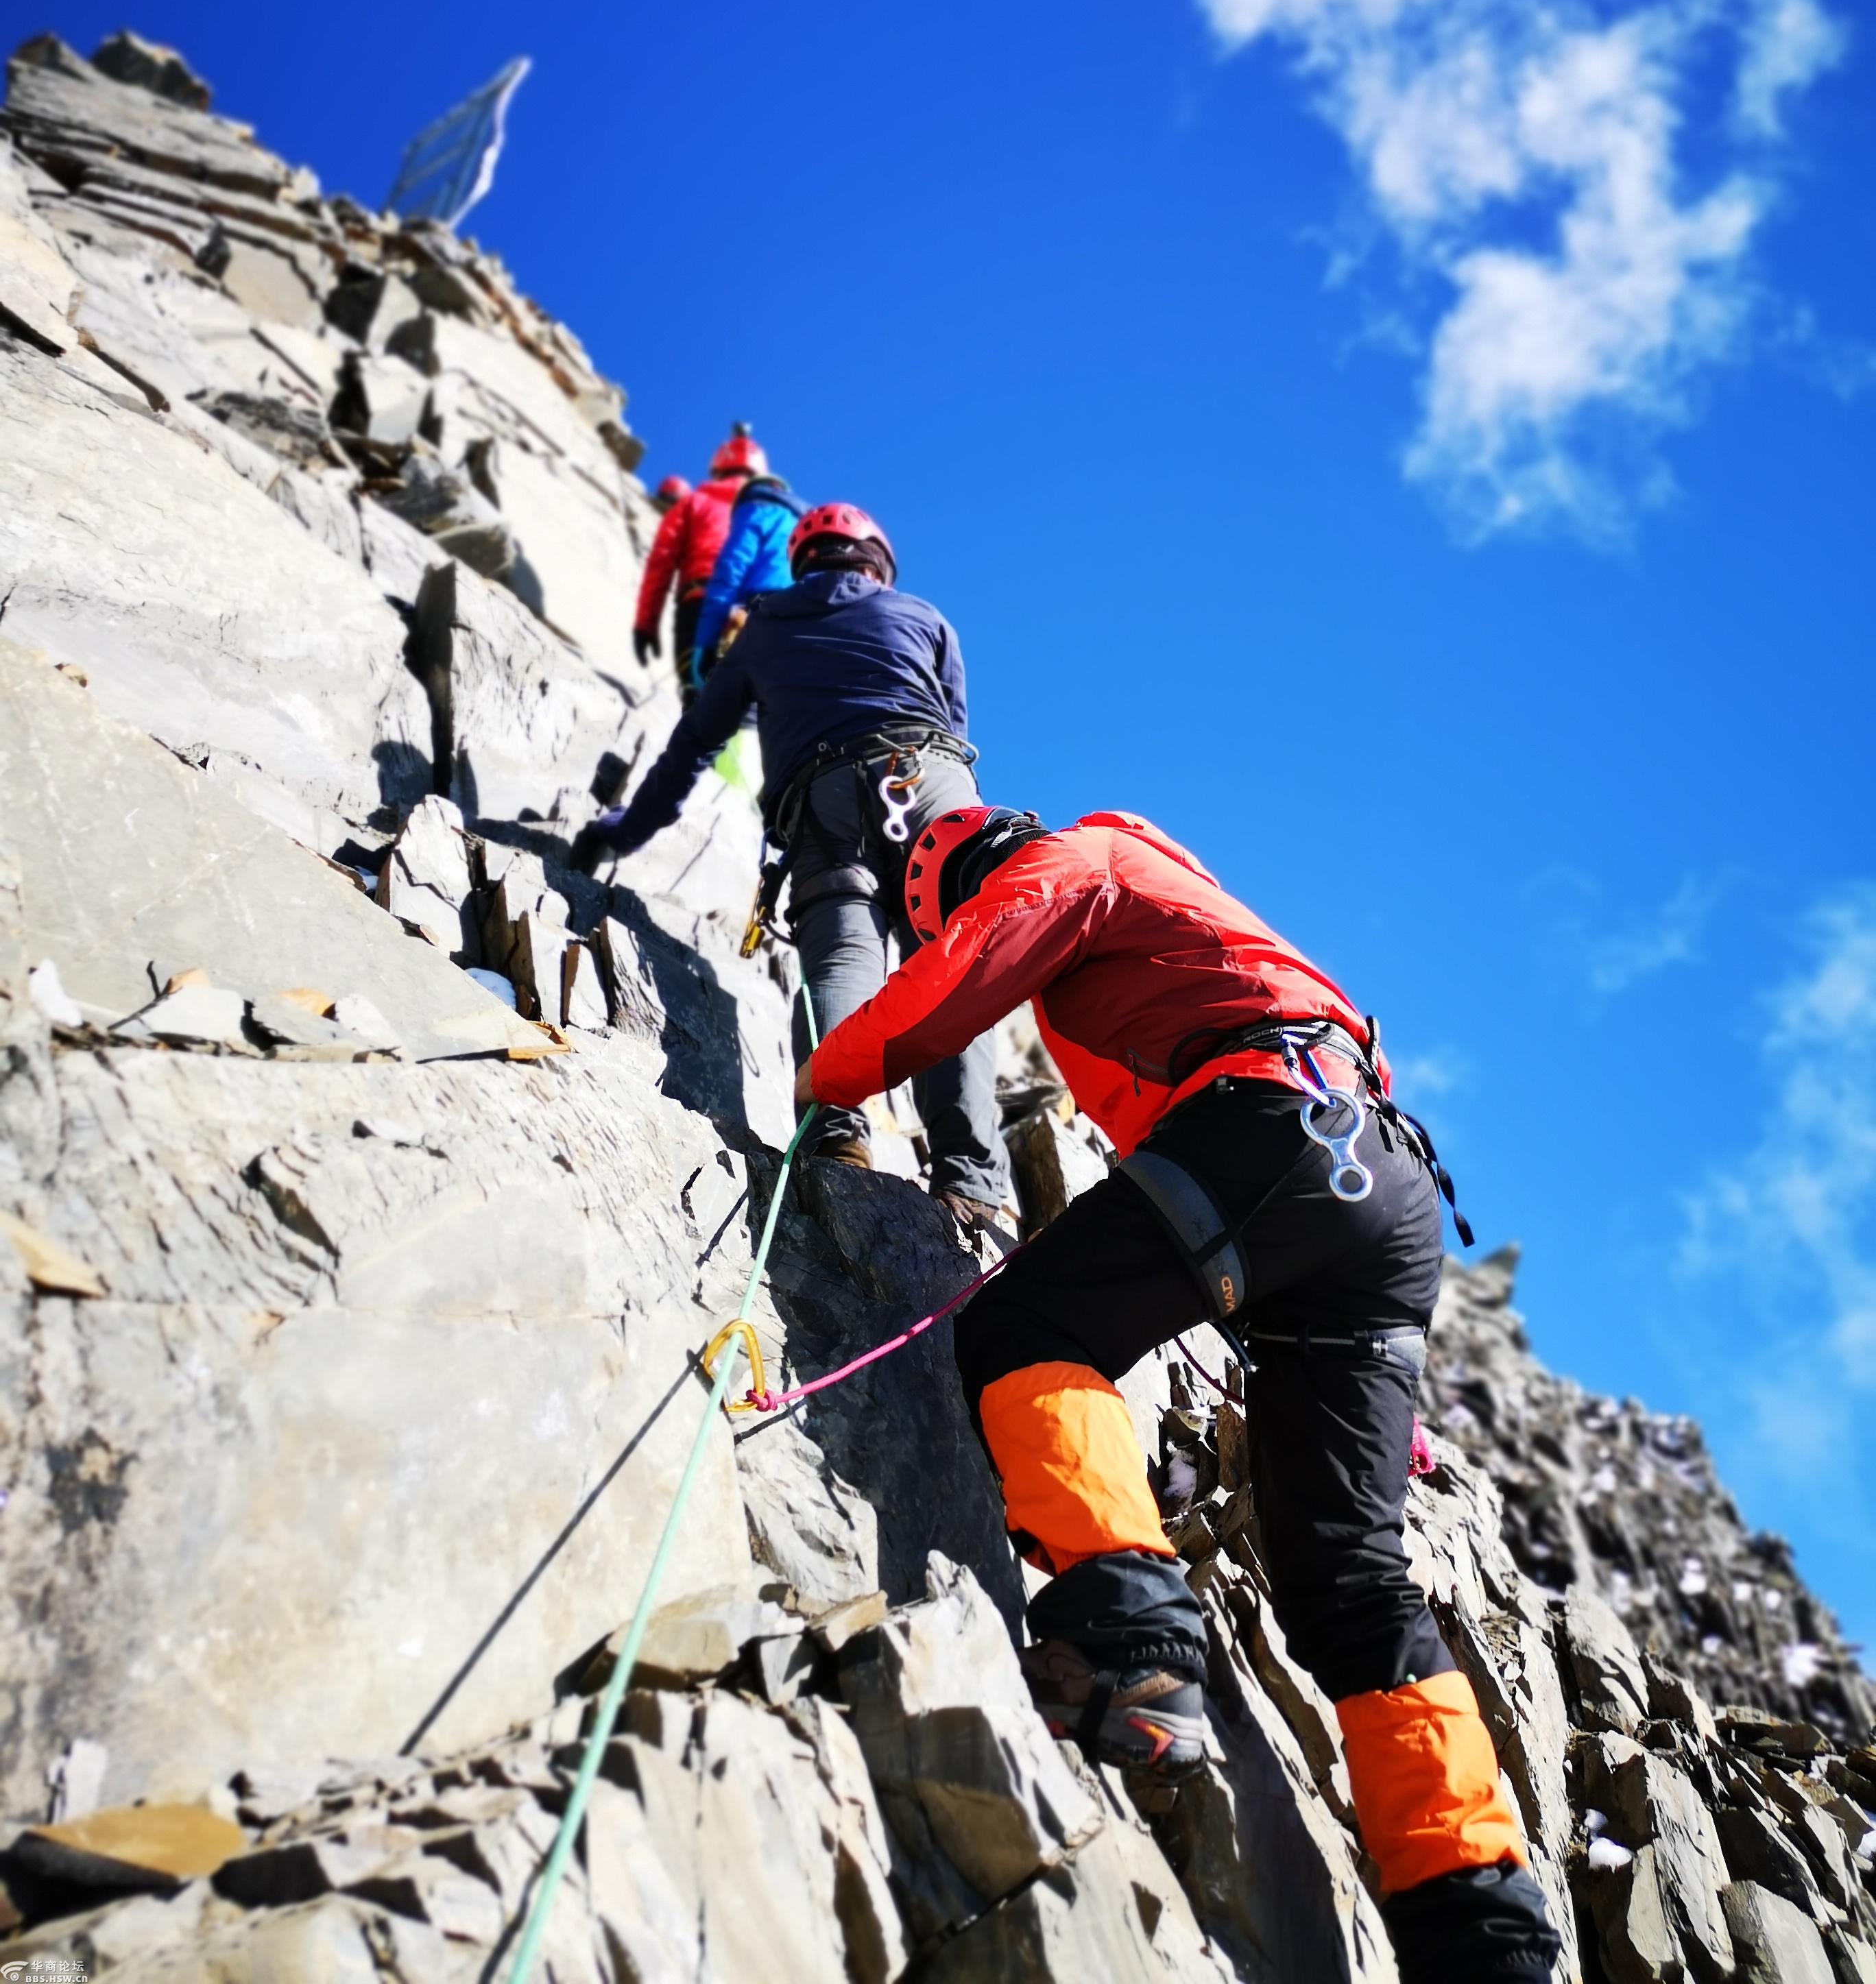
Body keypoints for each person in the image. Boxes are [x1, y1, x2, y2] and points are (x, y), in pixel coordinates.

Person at [795, 805, 1562, 1984]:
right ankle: (1481, 1923)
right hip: (1378, 1179)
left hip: (1277, 1127)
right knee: (1350, 1581)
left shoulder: (1076, 860)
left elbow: (963, 974)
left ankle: (1132, 1643)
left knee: (1030, 1326)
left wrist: (831, 1078)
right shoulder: (1195, 916)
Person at [573, 504, 1015, 1237]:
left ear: (807, 562)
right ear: (874, 559)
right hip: (928, 778)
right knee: (952, 961)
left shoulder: (766, 628)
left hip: (821, 802)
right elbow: (956, 728)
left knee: (842, 961)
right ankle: (968, 1183)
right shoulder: (925, 618)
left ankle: (838, 1135)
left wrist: (624, 830)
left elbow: (688, 752)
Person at [634, 426, 764, 686]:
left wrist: (646, 624)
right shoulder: (766, 512)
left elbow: (662, 560)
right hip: (747, 611)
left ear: (717, 468)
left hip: (698, 602)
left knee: (696, 694)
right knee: (739, 700)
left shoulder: (692, 503)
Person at [689, 469, 806, 685]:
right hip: (803, 619)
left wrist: (704, 643)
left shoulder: (754, 509)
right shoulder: (805, 524)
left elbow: (732, 568)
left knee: (734, 702)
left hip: (758, 612)